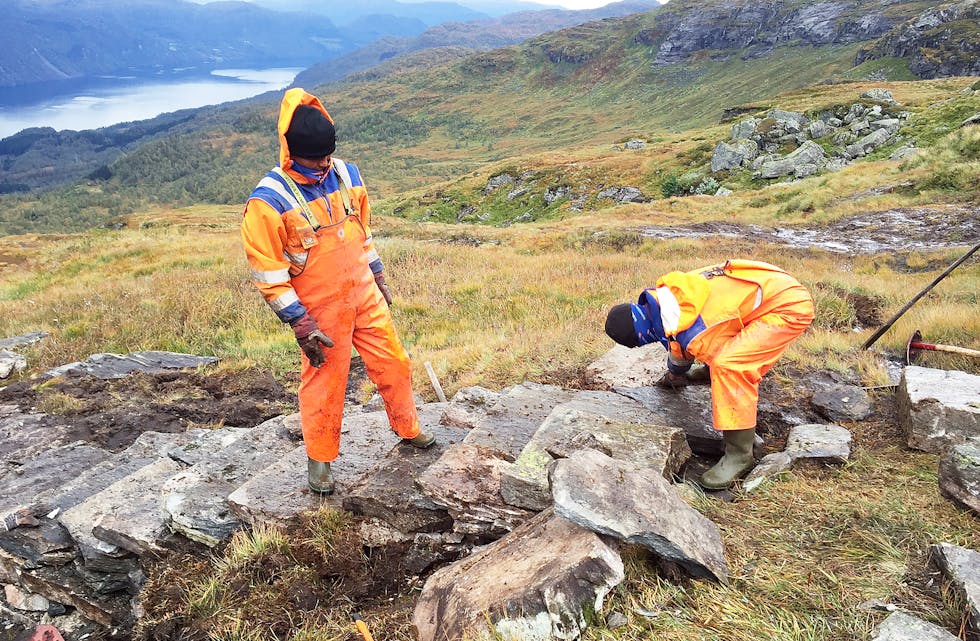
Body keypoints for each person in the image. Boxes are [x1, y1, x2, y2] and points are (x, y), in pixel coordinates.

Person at [241, 88, 434, 495]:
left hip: (363, 292)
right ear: (291, 153)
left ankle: (408, 428)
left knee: (395, 362)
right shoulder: (266, 202)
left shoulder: (348, 175)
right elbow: (268, 273)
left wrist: (378, 274)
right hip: (319, 309)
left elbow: (362, 234)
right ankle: (320, 459)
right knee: (326, 381)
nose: (324, 166)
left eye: (328, 156)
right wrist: (300, 322)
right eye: (314, 161)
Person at [604, 259, 814, 489]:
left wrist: (716, 370)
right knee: (719, 357)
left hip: (787, 307)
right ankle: (710, 374)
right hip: (769, 284)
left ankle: (740, 452)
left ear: (642, 338)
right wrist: (676, 373)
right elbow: (677, 339)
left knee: (730, 366)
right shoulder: (666, 302)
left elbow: (707, 347)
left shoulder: (698, 332)